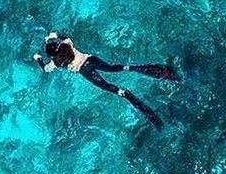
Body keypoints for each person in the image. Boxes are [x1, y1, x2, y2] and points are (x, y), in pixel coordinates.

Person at [33, 32, 179, 129]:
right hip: (91, 59)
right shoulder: (66, 45)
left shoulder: (57, 62)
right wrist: (53, 35)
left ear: (52, 55)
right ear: (58, 45)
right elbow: (64, 37)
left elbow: (45, 69)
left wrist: (38, 58)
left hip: (85, 71)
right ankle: (130, 68)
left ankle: (122, 92)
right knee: (113, 68)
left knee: (106, 86)